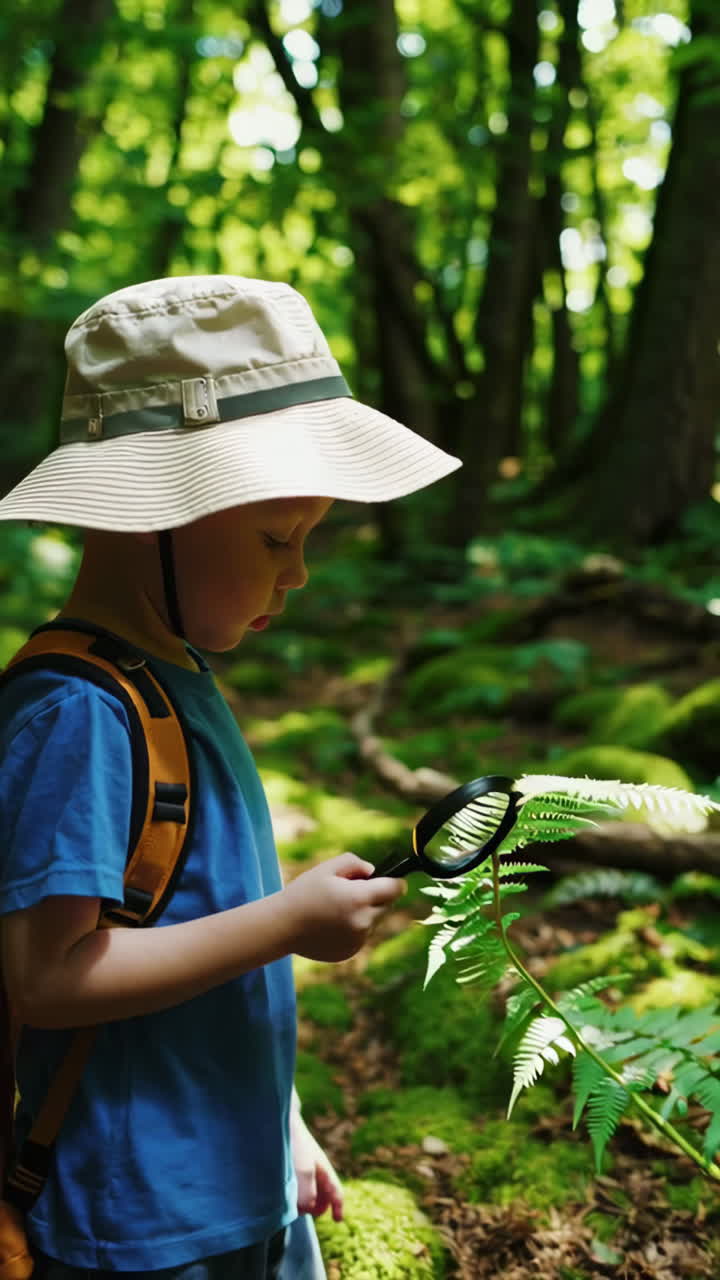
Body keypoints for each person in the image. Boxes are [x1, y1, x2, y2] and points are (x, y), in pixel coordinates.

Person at [0, 275, 461, 1279]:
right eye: (273, 538)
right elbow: (44, 975)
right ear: (150, 513)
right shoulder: (80, 712)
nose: (296, 573)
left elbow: (204, 932)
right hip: (136, 1219)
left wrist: (279, 1123)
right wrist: (289, 923)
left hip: (237, 1183)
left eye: (306, 538)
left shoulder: (178, 681)